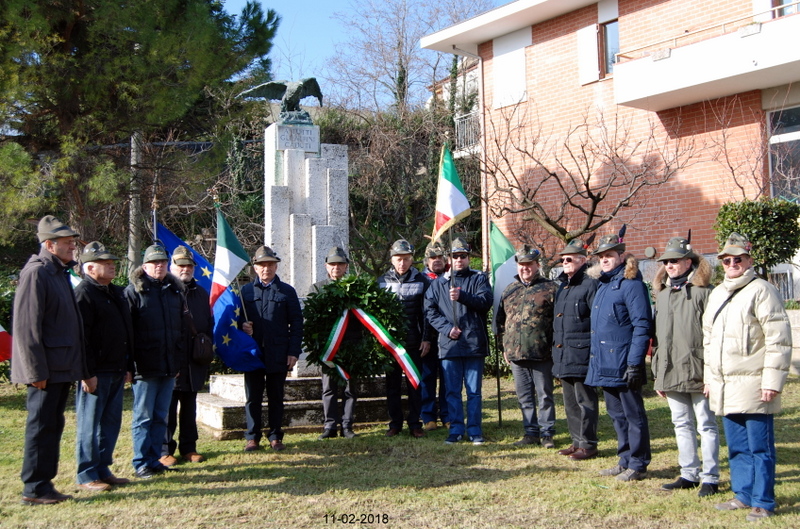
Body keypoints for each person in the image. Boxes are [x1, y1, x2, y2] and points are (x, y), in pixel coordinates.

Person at [703, 233, 791, 521]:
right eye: (727, 260)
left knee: (760, 448)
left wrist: (771, 382)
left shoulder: (763, 290)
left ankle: (763, 501)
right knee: (738, 446)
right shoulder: (717, 293)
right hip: (726, 386)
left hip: (755, 384)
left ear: (749, 260)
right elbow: (708, 340)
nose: (732, 264)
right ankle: (742, 494)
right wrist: (709, 379)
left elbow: (778, 340)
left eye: (737, 259)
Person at [11, 215, 89, 505]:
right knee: (41, 427)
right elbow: (27, 328)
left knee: (52, 426)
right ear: (49, 244)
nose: (73, 247)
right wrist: (34, 371)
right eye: (68, 243)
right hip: (44, 370)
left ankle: (44, 484)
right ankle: (34, 488)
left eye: (72, 242)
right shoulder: (37, 273)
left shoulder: (57, 272)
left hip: (60, 368)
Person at [651, 236, 719, 497]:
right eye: (666, 261)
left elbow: (714, 334)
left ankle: (710, 477)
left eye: (674, 260)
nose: (669, 265)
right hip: (670, 371)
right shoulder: (663, 294)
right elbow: (659, 338)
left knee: (706, 425)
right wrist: (659, 373)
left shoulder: (705, 292)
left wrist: (711, 373)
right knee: (681, 423)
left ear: (688, 262)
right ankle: (689, 473)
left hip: (699, 371)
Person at [586, 233, 653, 482]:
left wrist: (635, 362)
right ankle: (624, 459)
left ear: (621, 256)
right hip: (605, 363)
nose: (605, 260)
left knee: (634, 415)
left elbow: (642, 325)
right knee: (617, 415)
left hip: (624, 363)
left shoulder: (631, 284)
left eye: (610, 255)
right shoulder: (603, 285)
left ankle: (638, 463)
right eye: (602, 256)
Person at [74, 242, 134, 492]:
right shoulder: (83, 294)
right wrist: (86, 374)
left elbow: (125, 333)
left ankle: (103, 468)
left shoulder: (116, 293)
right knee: (90, 424)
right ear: (89, 268)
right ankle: (87, 473)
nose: (112, 266)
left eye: (112, 262)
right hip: (95, 372)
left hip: (117, 369)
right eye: (105, 263)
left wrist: (128, 365)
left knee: (110, 422)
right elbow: (80, 339)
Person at [425, 237, 492, 445]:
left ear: (468, 258)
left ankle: (474, 431)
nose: (459, 260)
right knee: (452, 392)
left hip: (474, 344)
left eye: (463, 256)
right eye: (455, 256)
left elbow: (485, 302)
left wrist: (462, 296)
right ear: (449, 259)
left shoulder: (479, 279)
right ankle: (455, 430)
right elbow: (430, 311)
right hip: (449, 345)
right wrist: (446, 329)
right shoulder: (437, 284)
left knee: (474, 392)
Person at [125, 244, 185, 479]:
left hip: (168, 366)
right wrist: (129, 366)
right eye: (154, 262)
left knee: (161, 416)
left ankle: (154, 459)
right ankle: (140, 462)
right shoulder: (134, 292)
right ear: (145, 266)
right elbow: (127, 334)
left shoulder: (174, 291)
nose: (159, 266)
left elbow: (179, 331)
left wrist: (176, 363)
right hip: (145, 367)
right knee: (143, 417)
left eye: (162, 262)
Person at [241, 246, 303, 452]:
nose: (266, 268)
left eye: (270, 264)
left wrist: (293, 352)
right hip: (253, 353)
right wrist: (242, 326)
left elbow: (296, 323)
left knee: (276, 397)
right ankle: (253, 437)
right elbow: (235, 320)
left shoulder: (287, 291)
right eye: (262, 265)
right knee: (253, 398)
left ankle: (275, 435)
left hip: (278, 353)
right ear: (255, 268)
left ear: (276, 266)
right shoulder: (246, 291)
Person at [496, 245, 557, 449]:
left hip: (542, 352)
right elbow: (501, 321)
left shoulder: (550, 288)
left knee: (544, 395)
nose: (525, 268)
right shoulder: (510, 289)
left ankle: (547, 433)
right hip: (516, 353)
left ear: (537, 265)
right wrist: (505, 347)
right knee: (524, 396)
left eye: (529, 264)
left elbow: (559, 321)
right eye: (522, 264)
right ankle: (530, 432)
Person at [160, 246, 213, 466]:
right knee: (168, 408)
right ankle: (164, 450)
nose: (186, 269)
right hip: (171, 359)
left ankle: (189, 448)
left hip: (194, 360)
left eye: (189, 265)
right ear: (172, 267)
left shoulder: (201, 293)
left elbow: (208, 325)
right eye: (181, 265)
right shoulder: (164, 291)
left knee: (190, 407)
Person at [552, 239, 599, 461]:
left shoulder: (590, 284)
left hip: (582, 353)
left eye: (569, 259)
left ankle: (588, 444)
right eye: (563, 259)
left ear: (583, 260)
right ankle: (576, 441)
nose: (565, 262)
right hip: (564, 353)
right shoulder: (564, 285)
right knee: (570, 401)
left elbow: (595, 321)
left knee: (585, 401)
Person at [378, 239, 430, 438]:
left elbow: (427, 314)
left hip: (414, 343)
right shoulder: (381, 281)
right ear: (392, 259)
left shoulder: (423, 281)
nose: (402, 263)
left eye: (406, 259)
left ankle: (415, 424)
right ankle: (395, 424)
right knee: (392, 386)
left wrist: (426, 339)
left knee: (414, 384)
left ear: (412, 260)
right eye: (399, 259)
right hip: (390, 345)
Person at [313, 247, 358, 440]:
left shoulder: (356, 287)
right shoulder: (317, 288)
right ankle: (330, 425)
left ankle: (347, 426)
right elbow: (313, 321)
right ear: (326, 266)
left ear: (346, 266)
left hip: (351, 346)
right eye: (332, 264)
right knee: (329, 388)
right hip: (328, 349)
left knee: (350, 388)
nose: (336, 268)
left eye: (340, 264)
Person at [420, 241, 449, 431]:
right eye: (433, 257)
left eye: (440, 257)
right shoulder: (421, 280)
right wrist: (425, 337)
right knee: (428, 377)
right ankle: (428, 417)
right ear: (426, 261)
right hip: (427, 337)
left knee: (448, 378)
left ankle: (448, 415)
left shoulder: (451, 278)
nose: (436, 260)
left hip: (448, 336)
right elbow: (421, 312)